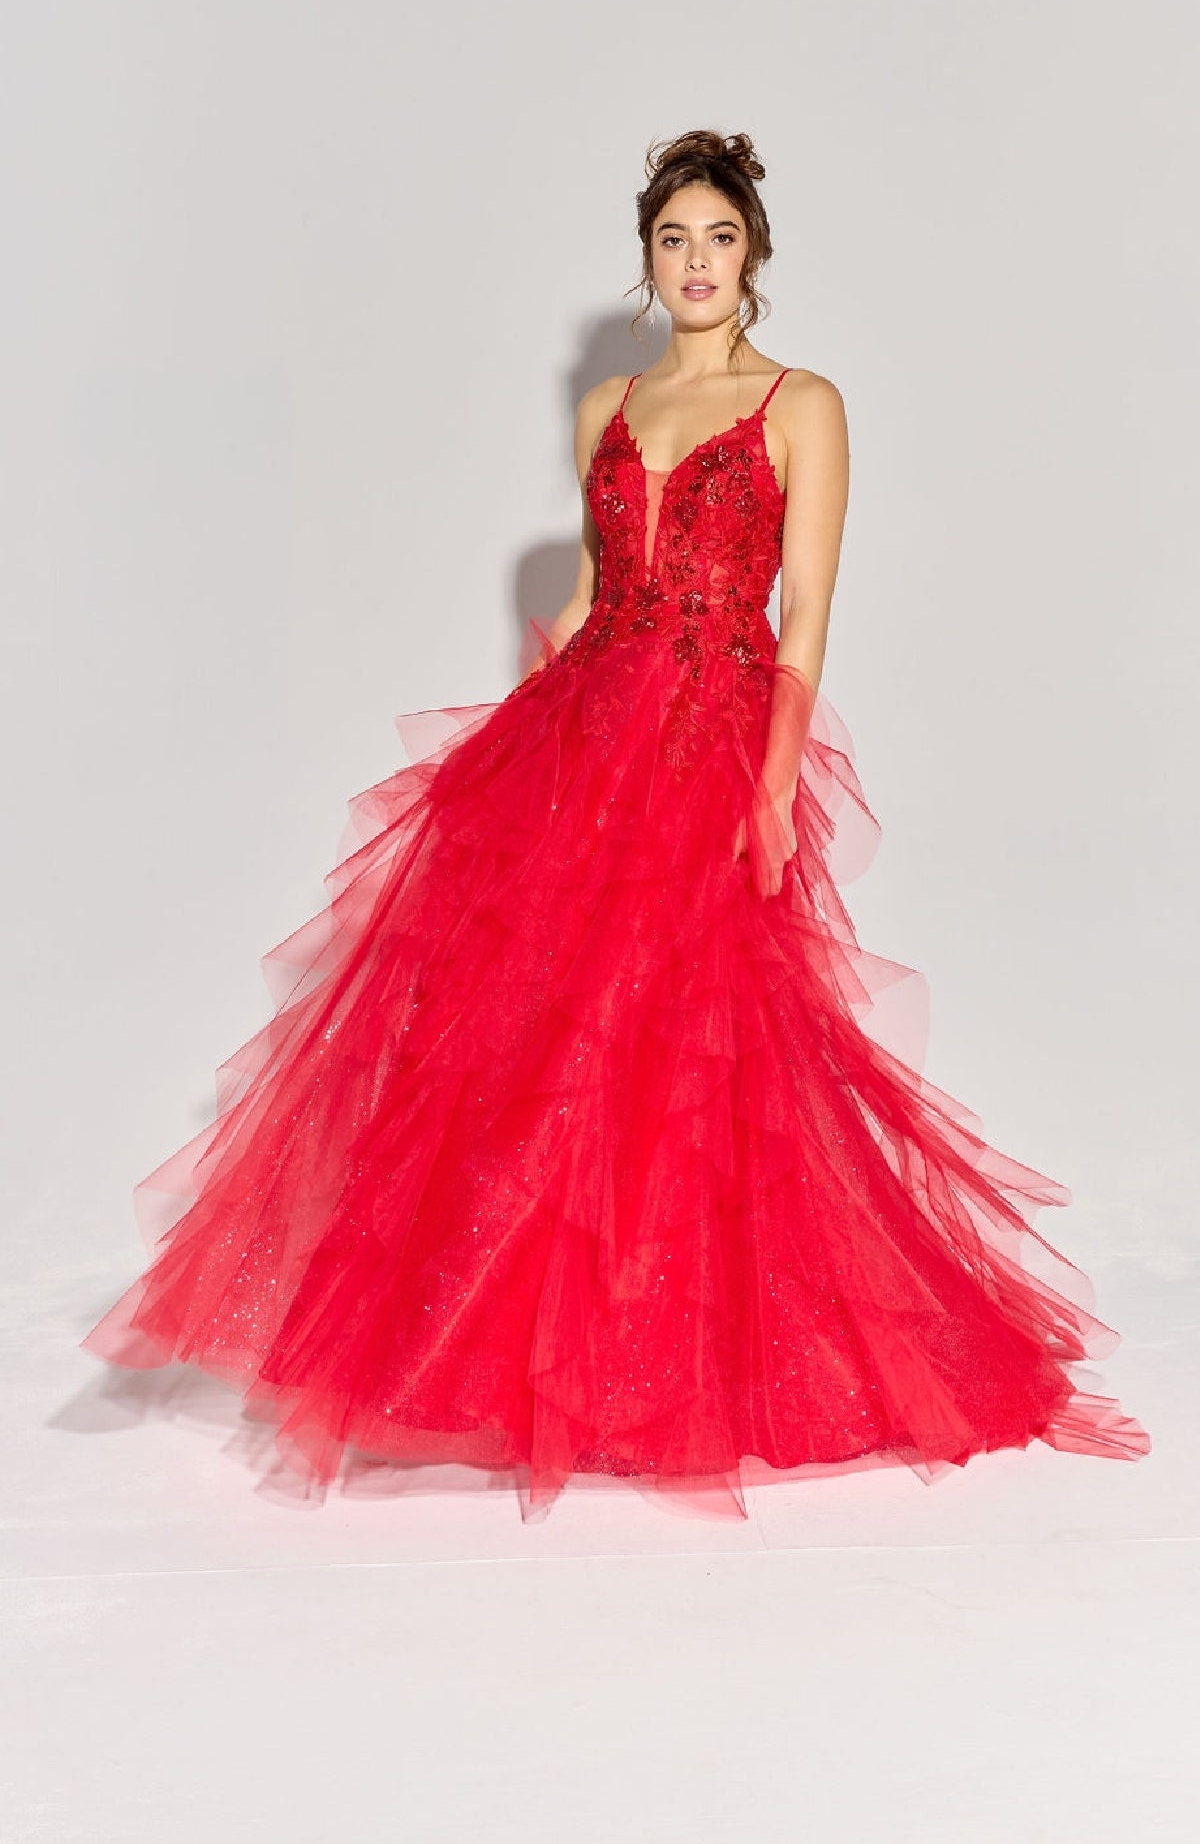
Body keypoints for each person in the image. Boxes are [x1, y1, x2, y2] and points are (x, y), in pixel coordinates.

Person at [82, 128, 1150, 1519]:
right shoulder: (608, 404)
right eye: (671, 240)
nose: (696, 262)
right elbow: (594, 592)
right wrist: (516, 749)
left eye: (718, 238)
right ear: (645, 261)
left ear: (753, 254)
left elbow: (805, 611)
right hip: (585, 727)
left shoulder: (802, 403)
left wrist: (774, 777)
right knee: (538, 1043)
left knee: (703, 1046)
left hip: (712, 731)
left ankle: (680, 1363)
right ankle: (526, 1369)